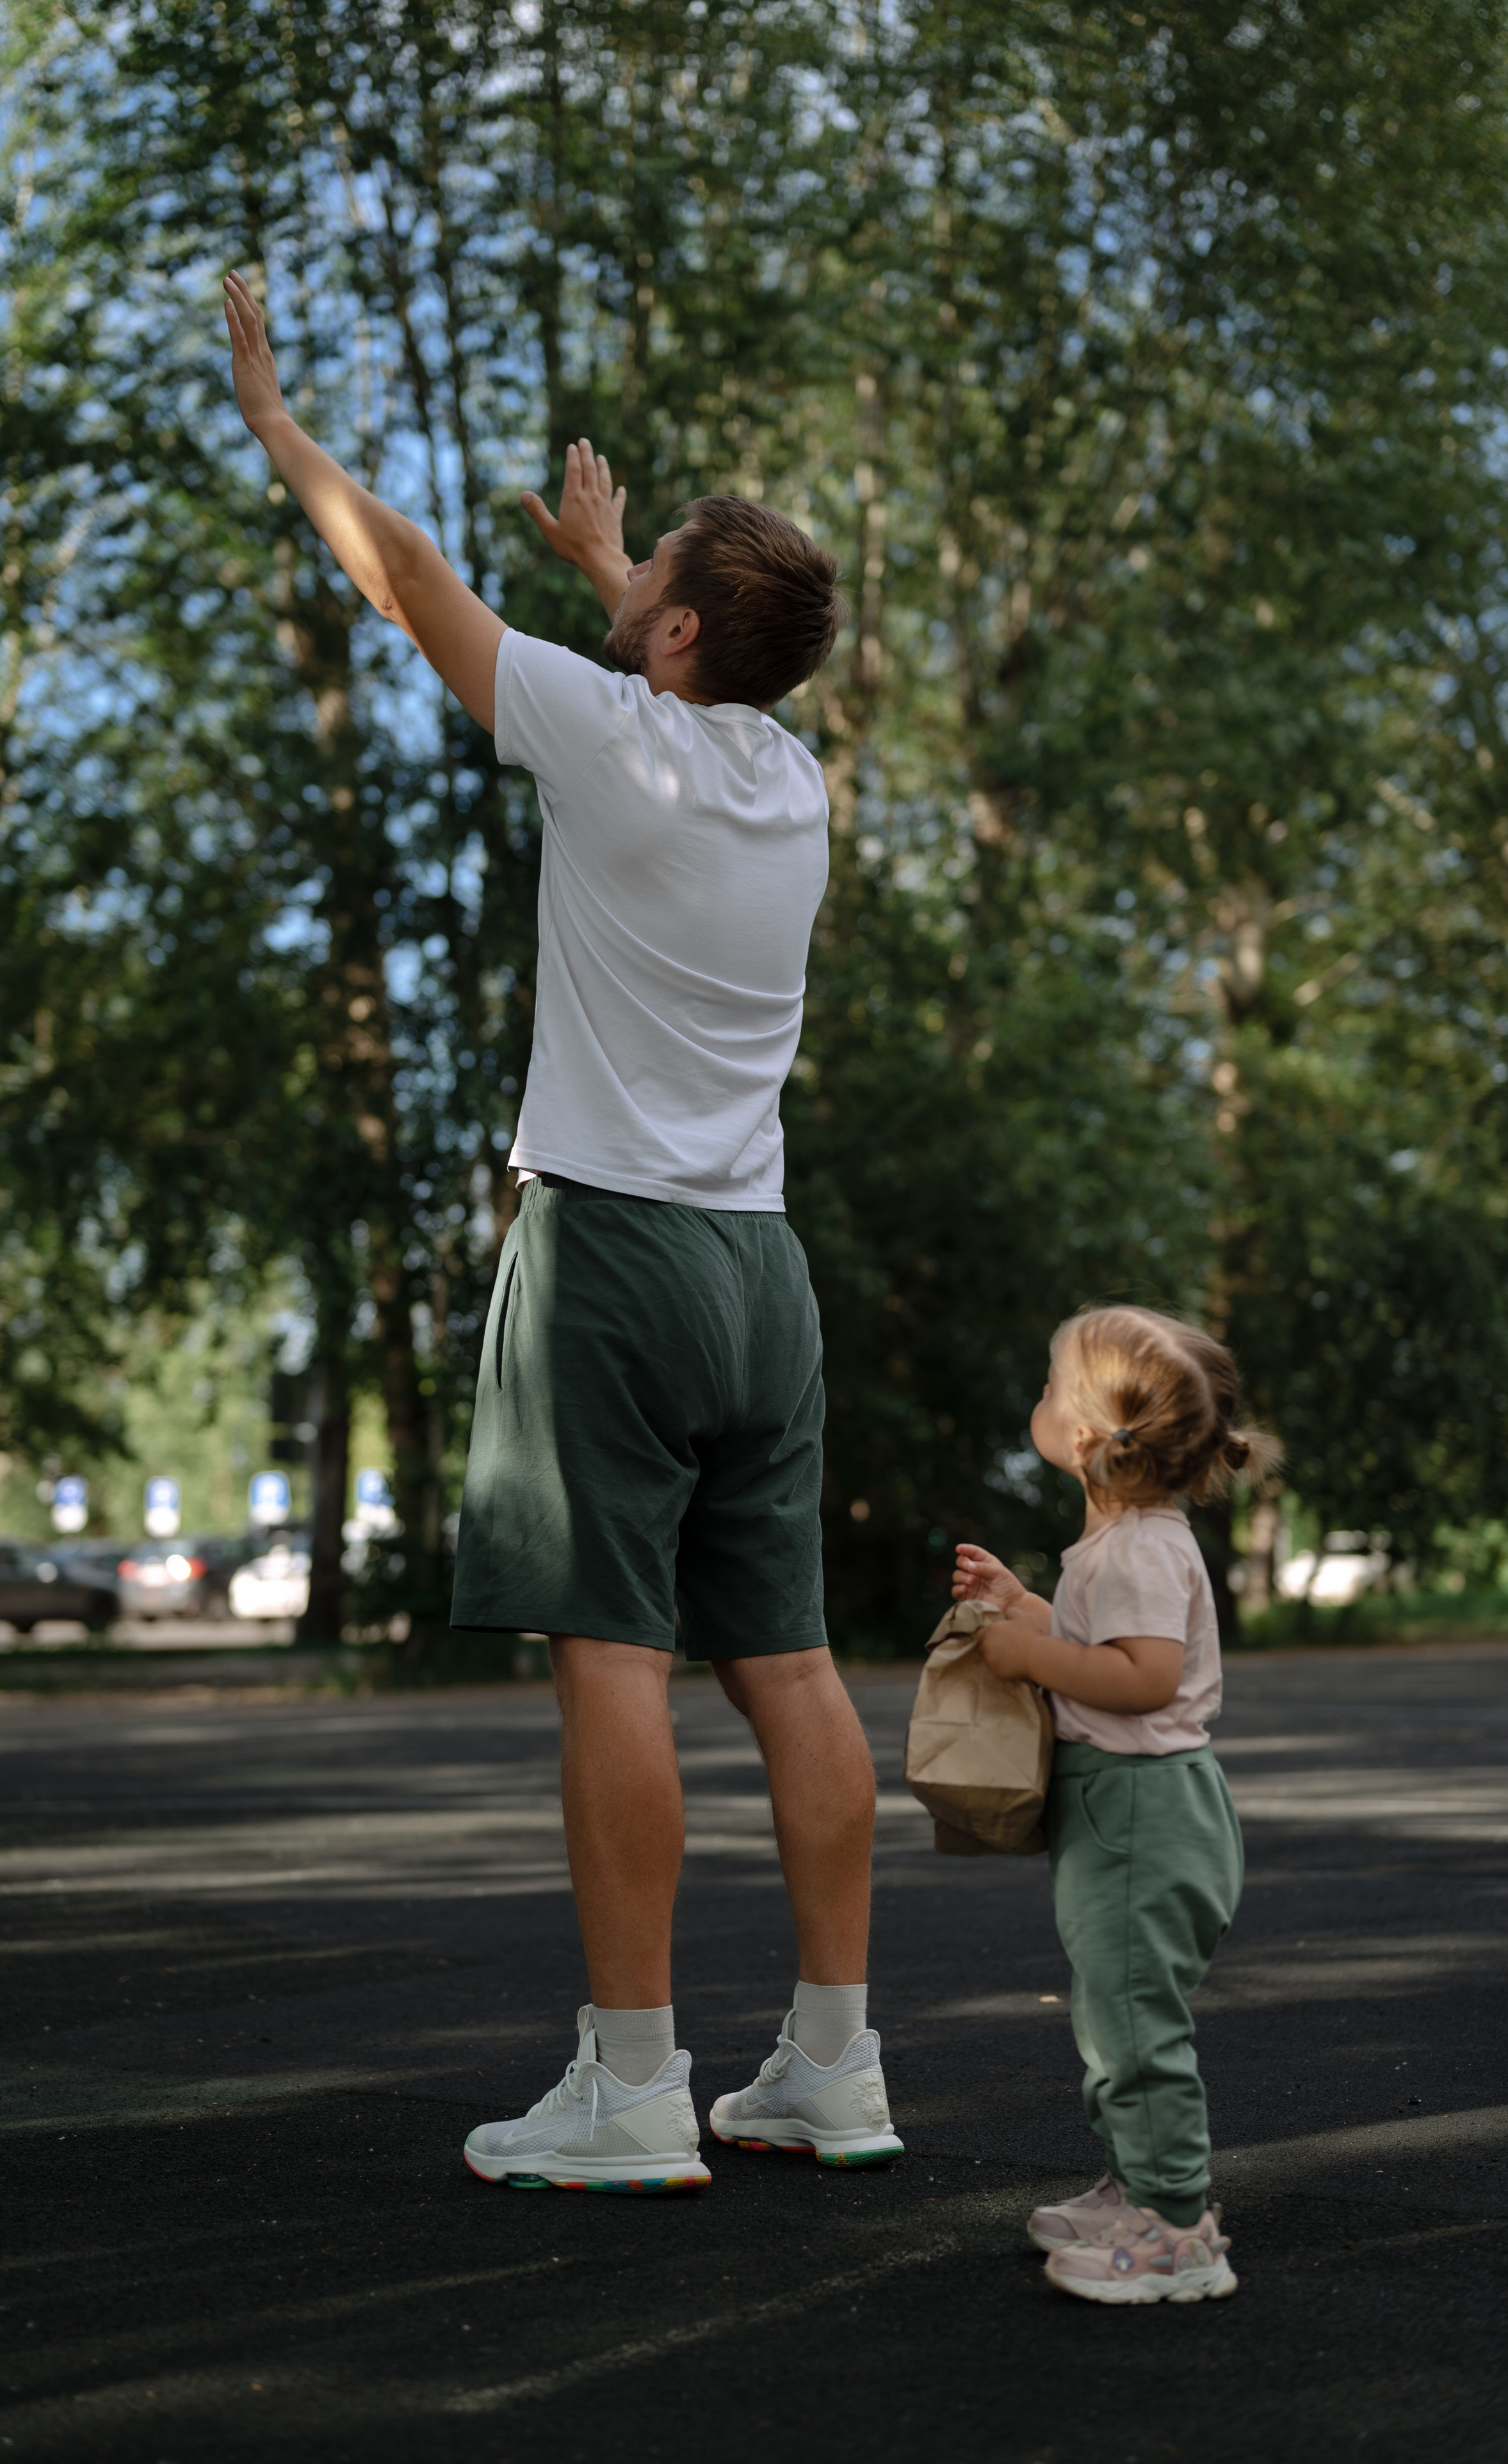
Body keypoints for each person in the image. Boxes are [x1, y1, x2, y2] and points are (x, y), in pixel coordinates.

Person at [222, 270, 901, 2196]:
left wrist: (280, 425)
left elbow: (413, 576)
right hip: (762, 1277)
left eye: (648, 576)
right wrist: (631, 565)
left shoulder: (611, 737)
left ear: (672, 636)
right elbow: (680, 667)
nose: (621, 579)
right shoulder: (792, 778)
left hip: (609, 1255)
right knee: (787, 1664)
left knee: (612, 1655)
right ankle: (833, 2068)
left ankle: (629, 2089)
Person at [952, 1304, 1279, 2305]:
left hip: (1141, 1814)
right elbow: (1104, 1648)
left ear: (1088, 1436)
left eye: (1053, 1389)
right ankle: (1136, 2185)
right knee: (1113, 2016)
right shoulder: (1124, 1541)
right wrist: (1027, 1608)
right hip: (1130, 1808)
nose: (1041, 1402)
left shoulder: (1139, 1546)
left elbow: (1140, 1677)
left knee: (1134, 2028)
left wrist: (1025, 1654)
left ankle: (1179, 2233)